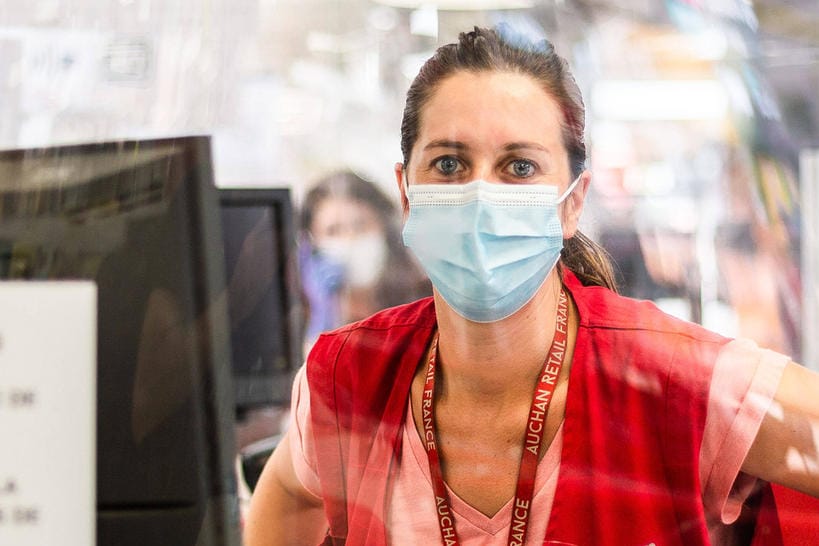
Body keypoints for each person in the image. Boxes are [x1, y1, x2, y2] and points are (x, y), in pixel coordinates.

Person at [244, 27, 819, 545]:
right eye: (448, 164)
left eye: (519, 167)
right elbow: (291, 491)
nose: (479, 195)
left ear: (573, 203)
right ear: (405, 191)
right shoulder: (350, 378)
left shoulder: (676, 379)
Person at [298, 170, 431, 350]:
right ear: (312, 245)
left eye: (360, 225)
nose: (349, 239)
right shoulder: (300, 317)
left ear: (386, 230)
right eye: (333, 230)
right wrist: (323, 322)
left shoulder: (424, 303)